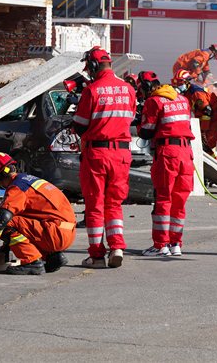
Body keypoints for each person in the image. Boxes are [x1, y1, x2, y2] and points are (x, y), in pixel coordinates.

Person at [73, 47, 135, 269]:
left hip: (97, 153)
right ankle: (117, 247)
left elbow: (80, 126)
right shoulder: (128, 89)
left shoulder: (93, 90)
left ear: (92, 65)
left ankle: (97, 256)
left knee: (95, 203)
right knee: (114, 203)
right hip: (122, 153)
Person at [0, 153, 76, 275]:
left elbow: (3, 219)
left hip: (55, 233)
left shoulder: (17, 187)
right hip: (66, 232)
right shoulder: (29, 180)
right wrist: (6, 246)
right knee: (20, 221)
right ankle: (53, 257)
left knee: (5, 223)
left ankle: (32, 262)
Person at [138, 71, 195, 257]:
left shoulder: (153, 101)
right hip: (186, 154)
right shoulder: (182, 99)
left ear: (147, 87)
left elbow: (146, 132)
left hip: (168, 153)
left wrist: (140, 121)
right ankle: (176, 244)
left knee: (163, 199)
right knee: (179, 201)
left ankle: (160, 245)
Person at [178, 69, 217, 157]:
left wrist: (203, 131)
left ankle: (214, 166)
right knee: (210, 144)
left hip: (215, 117)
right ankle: (216, 162)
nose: (178, 86)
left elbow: (207, 110)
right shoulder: (189, 92)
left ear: (187, 82)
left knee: (207, 144)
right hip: (215, 116)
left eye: (180, 84)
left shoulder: (196, 92)